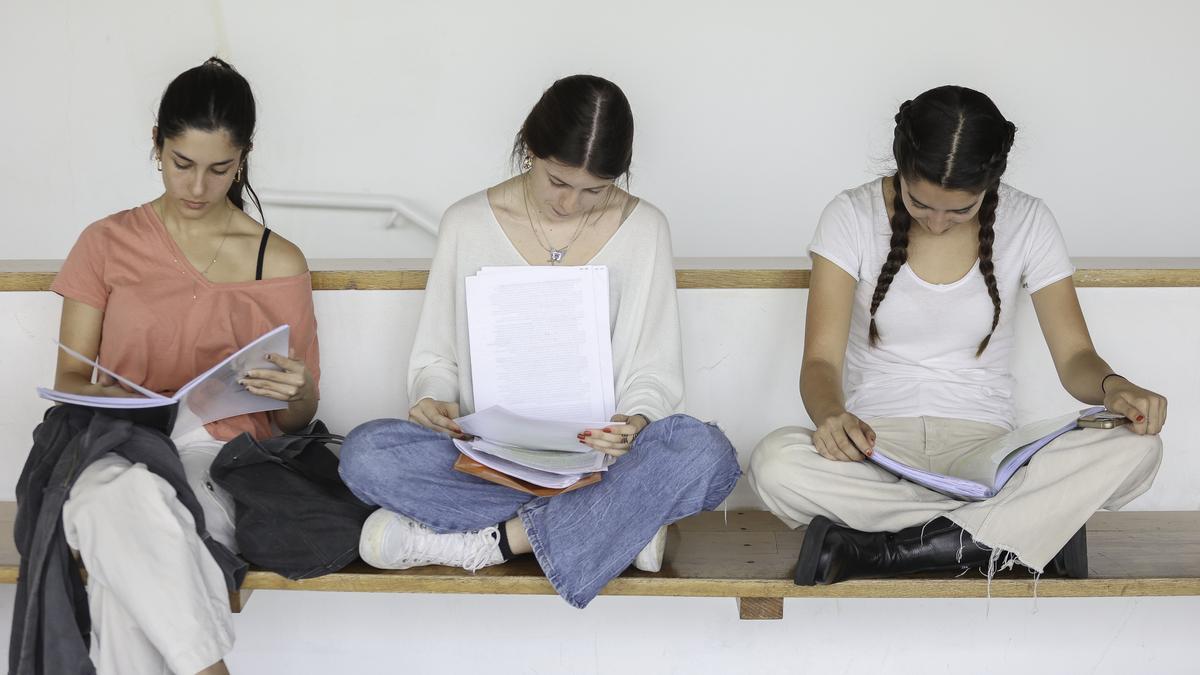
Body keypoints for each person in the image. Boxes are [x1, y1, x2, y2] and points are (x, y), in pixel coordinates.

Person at [338, 74, 740, 609]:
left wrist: (635, 421)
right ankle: (620, 524)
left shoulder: (646, 229)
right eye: (557, 181)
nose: (571, 204)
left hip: (603, 461)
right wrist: (432, 397)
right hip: (491, 460)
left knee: (704, 454)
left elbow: (653, 369)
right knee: (366, 454)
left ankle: (495, 543)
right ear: (531, 149)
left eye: (594, 190)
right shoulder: (466, 222)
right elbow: (437, 357)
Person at [748, 85, 1165, 585]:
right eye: (920, 204)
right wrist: (832, 416)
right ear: (900, 168)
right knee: (774, 463)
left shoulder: (1029, 220)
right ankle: (1012, 532)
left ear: (989, 185)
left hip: (987, 453)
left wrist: (1113, 387)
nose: (938, 222)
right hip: (877, 447)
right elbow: (820, 362)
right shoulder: (850, 215)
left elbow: (1075, 354)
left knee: (1138, 447)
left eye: (960, 210)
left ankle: (890, 548)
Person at [50, 57, 320, 673]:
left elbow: (298, 415)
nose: (197, 188)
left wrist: (296, 388)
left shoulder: (275, 260)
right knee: (119, 492)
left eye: (219, 169)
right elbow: (70, 375)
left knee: (107, 520)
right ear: (158, 146)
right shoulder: (106, 243)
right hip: (119, 439)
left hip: (219, 460)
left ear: (243, 158)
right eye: (183, 164)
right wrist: (135, 402)